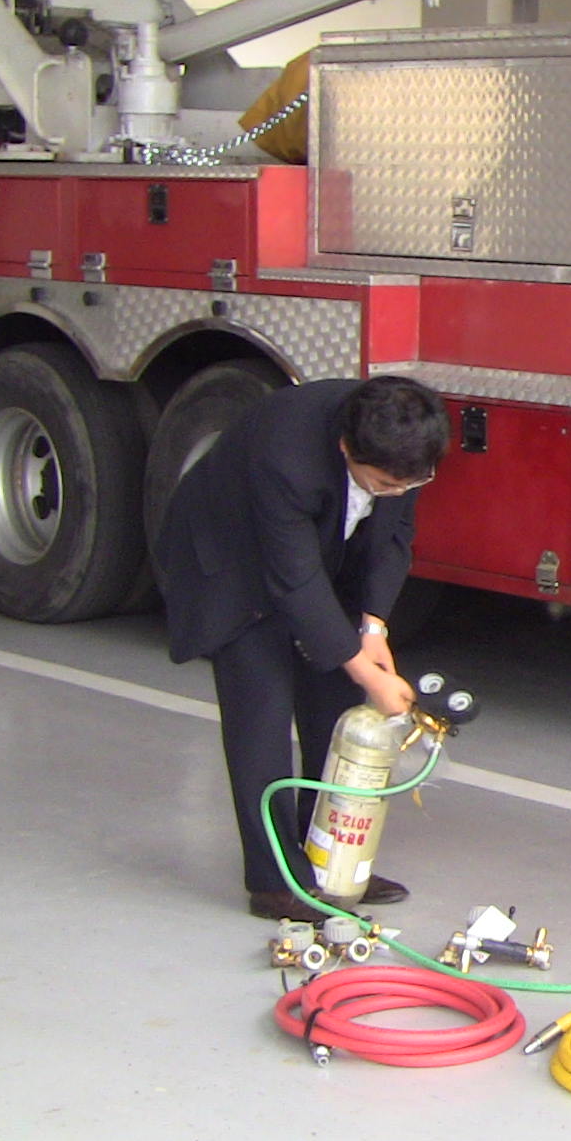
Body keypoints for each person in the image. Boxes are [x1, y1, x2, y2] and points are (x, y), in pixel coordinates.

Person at [157, 374, 449, 920]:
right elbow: (293, 579)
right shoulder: (285, 452)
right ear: (346, 449)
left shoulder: (406, 445)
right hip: (234, 563)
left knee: (335, 714)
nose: (396, 491)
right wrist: (371, 675)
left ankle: (328, 863)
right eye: (384, 483)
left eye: (409, 482)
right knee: (261, 718)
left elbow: (394, 536)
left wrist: (373, 628)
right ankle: (275, 883)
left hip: (320, 555)